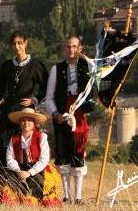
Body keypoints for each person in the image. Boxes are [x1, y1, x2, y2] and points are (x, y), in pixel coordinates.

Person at [45, 35, 95, 205]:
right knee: (63, 152)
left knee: (78, 152)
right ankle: (66, 196)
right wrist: (55, 114)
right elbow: (49, 97)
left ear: (80, 48)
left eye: (75, 47)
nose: (71, 50)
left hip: (79, 113)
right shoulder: (56, 69)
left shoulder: (87, 67)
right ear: (64, 49)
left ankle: (79, 196)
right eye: (68, 47)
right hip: (62, 113)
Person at [0, 32, 49, 146]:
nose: (17, 46)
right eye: (14, 44)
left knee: (24, 140)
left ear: (25, 44)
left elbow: (46, 85)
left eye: (20, 43)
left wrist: (34, 99)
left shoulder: (35, 65)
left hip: (25, 109)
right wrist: (0, 100)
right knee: (2, 139)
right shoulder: (7, 65)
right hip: (8, 109)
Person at [1, 108, 60, 206]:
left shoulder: (42, 137)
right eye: (23, 120)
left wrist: (29, 172)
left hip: (36, 169)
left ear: (34, 123)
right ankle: (16, 198)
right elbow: (10, 158)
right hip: (19, 169)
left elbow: (44, 159)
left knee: (37, 180)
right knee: (8, 178)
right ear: (19, 123)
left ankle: (32, 200)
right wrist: (18, 171)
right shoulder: (14, 139)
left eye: (29, 120)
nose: (26, 123)